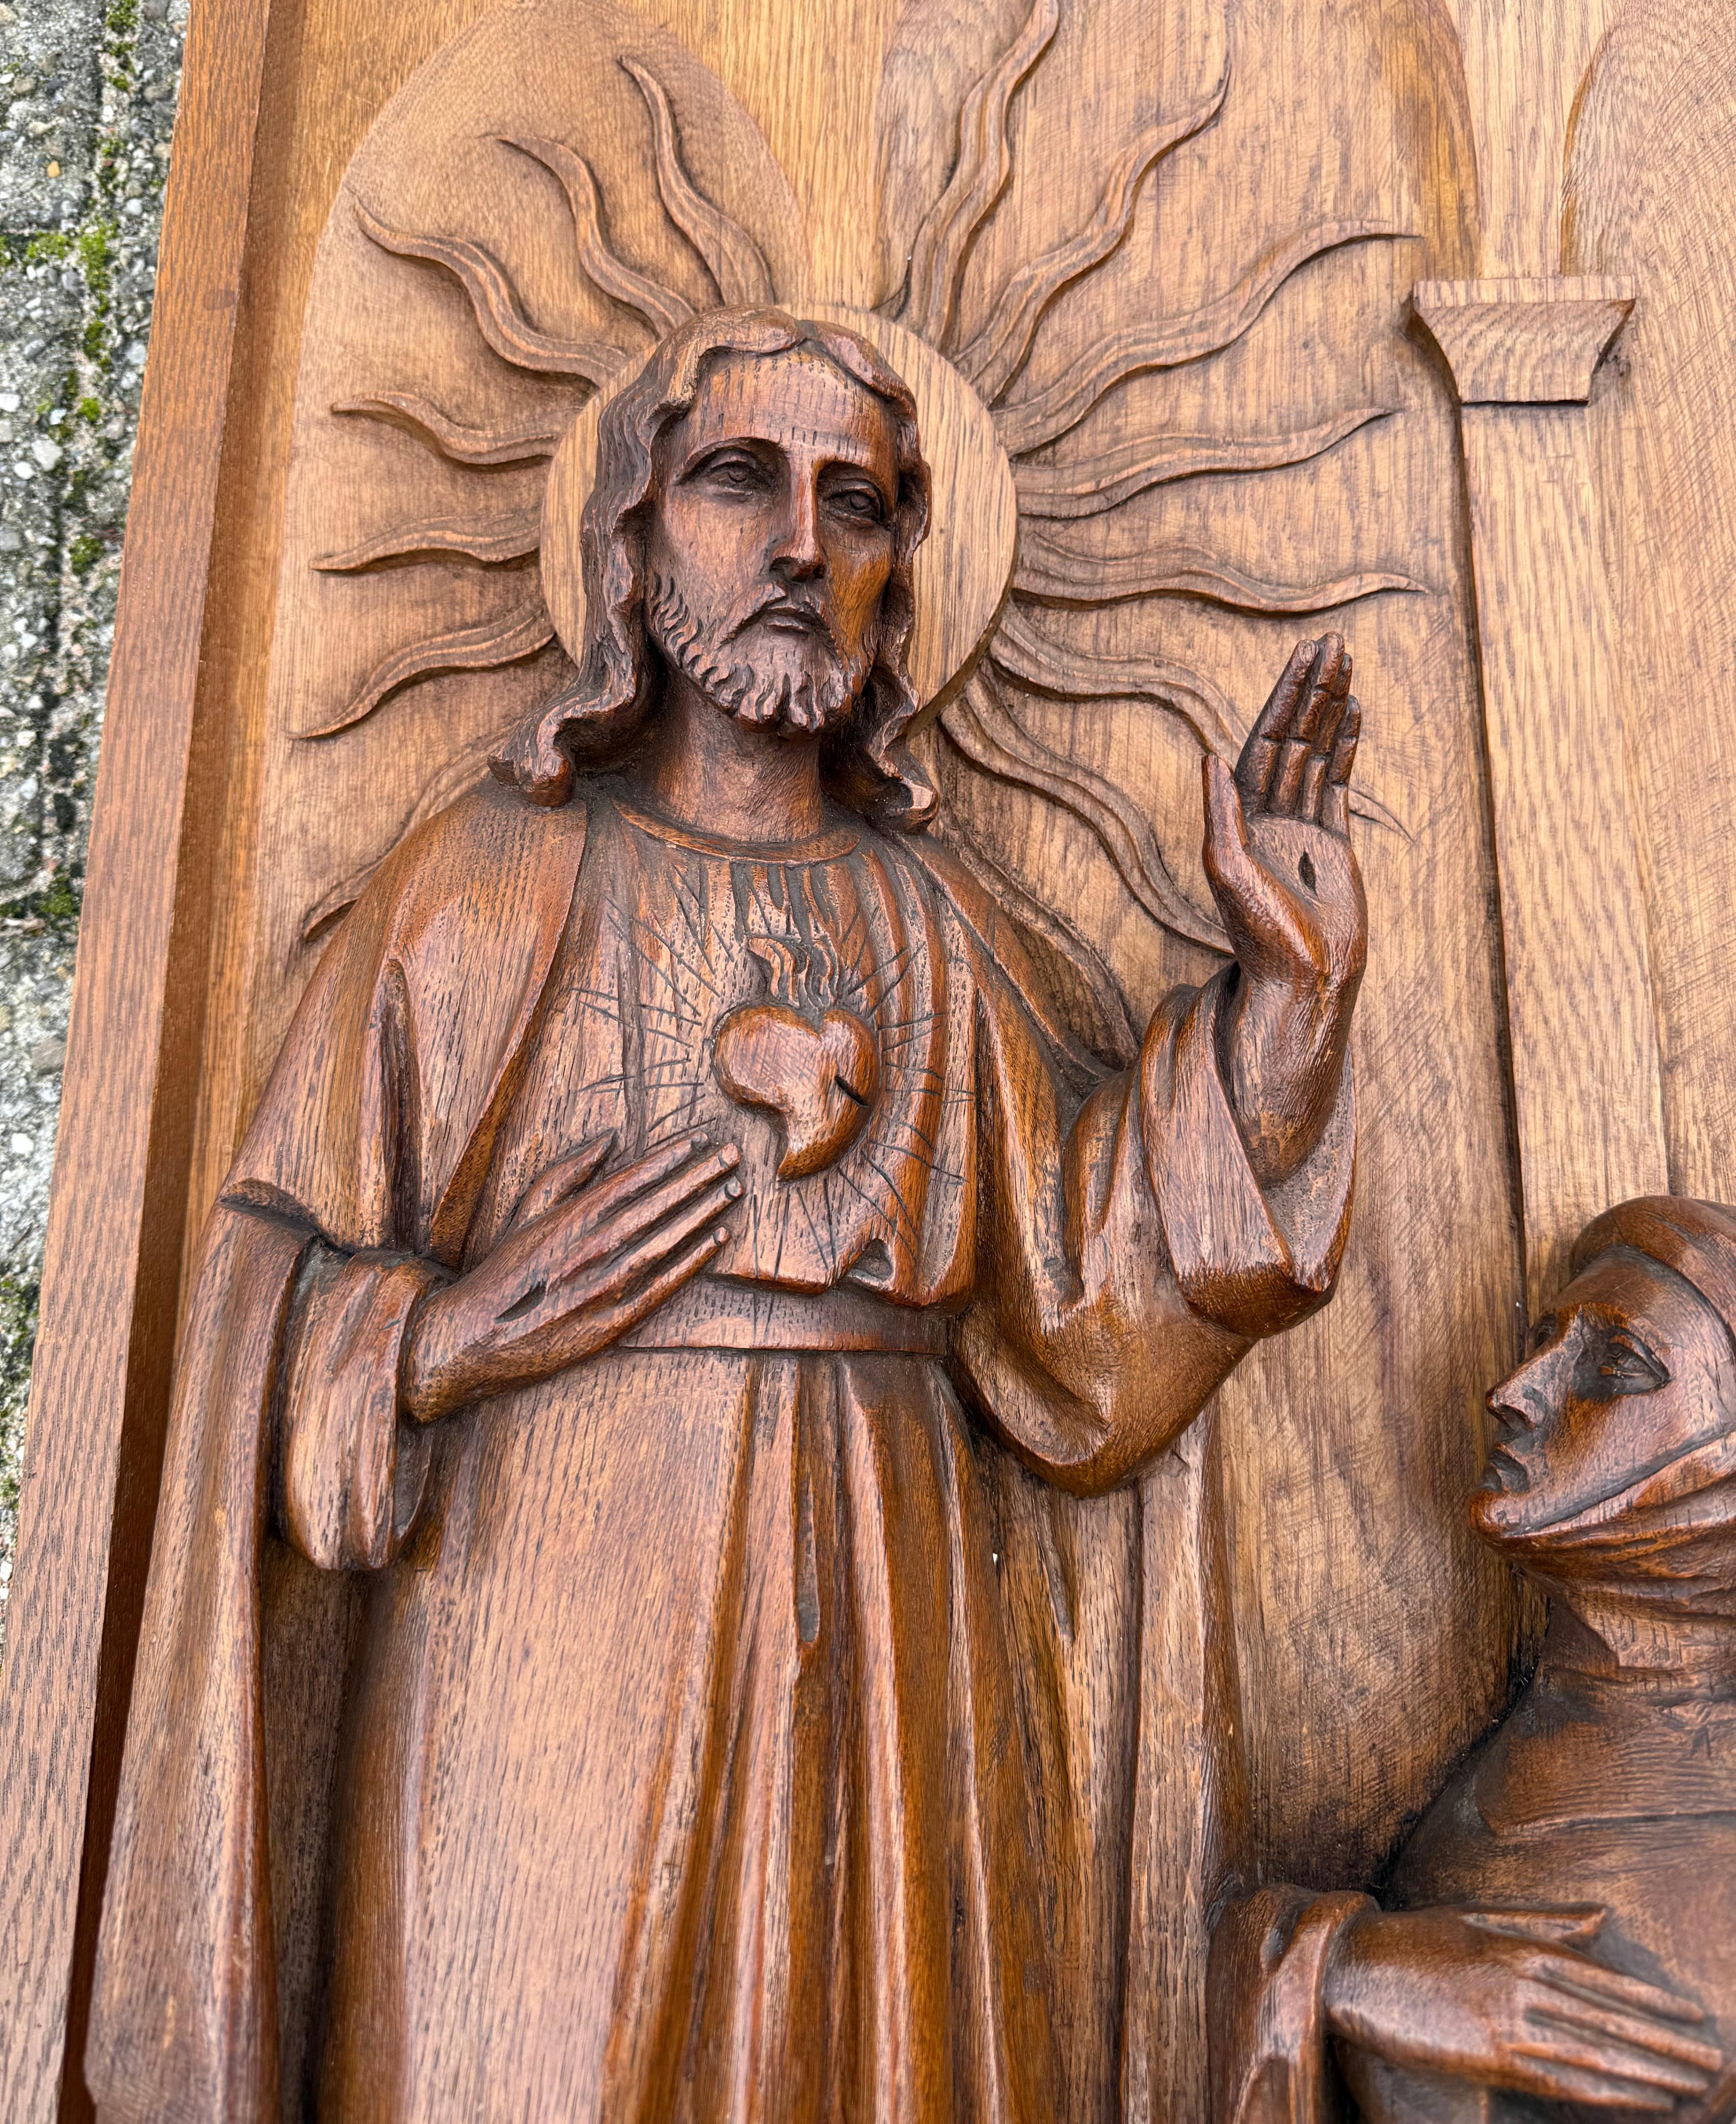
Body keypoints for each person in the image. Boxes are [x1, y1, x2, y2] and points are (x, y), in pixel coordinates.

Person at [89, 308, 1367, 2122]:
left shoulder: (945, 928)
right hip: (540, 1667)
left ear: (897, 582)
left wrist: (1291, 1005)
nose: (798, 547)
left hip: (887, 1649)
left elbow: (1097, 1307)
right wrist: (453, 1334)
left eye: (856, 505)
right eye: (740, 481)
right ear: (631, 540)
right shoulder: (486, 890)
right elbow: (251, 1304)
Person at [1211, 1193, 1736, 2122]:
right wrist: (1342, 1968)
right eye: (1543, 1342)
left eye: (1613, 1363)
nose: (1516, 1388)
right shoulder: (1510, 1778)